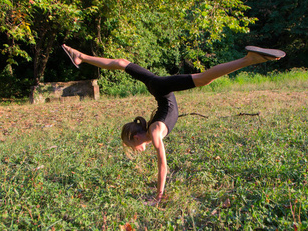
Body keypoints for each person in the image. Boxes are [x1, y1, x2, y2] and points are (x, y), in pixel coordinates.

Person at [62, 44, 285, 204]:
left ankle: (250, 59)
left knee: (205, 78)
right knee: (122, 64)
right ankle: (79, 55)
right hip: (157, 87)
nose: (136, 151)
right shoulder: (150, 128)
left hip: (160, 86)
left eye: (133, 147)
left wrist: (158, 195)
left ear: (136, 137)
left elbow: (163, 166)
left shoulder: (155, 132)